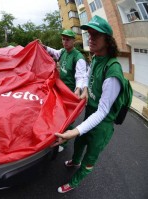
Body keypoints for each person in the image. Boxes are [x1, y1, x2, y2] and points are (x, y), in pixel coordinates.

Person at [52, 15, 126, 193]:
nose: (90, 39)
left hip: (102, 124)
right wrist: (84, 89)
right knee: (79, 143)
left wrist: (74, 130)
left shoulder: (113, 71)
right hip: (90, 113)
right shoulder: (96, 57)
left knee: (90, 158)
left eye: (95, 35)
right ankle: (74, 161)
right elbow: (87, 76)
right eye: (89, 35)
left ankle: (74, 182)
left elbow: (102, 112)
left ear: (107, 40)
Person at [41, 29, 88, 152]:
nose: (65, 42)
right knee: (57, 114)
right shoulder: (63, 52)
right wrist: (44, 47)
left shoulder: (79, 57)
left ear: (74, 41)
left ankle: (64, 142)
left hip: (70, 93)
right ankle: (55, 134)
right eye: (63, 39)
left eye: (68, 39)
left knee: (68, 118)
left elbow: (81, 76)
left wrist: (78, 89)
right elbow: (55, 53)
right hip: (60, 90)